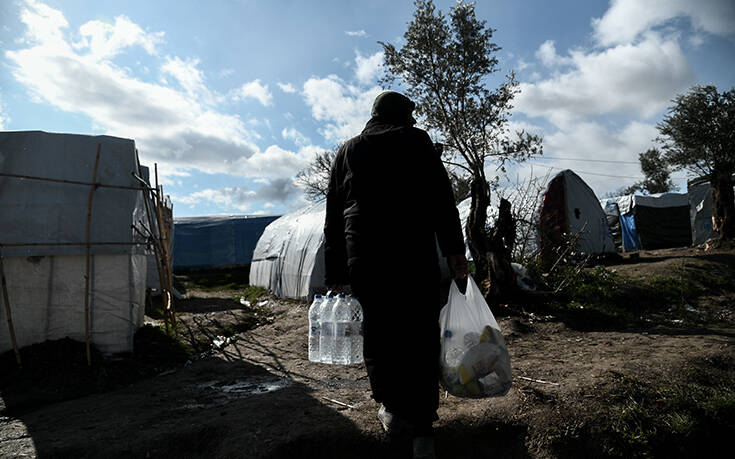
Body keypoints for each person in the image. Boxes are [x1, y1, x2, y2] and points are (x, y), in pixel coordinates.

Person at [324, 91, 468, 458]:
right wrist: (455, 252)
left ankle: (390, 409)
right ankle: (423, 431)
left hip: (366, 259)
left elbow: (333, 219)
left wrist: (335, 272)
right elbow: (441, 201)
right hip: (411, 256)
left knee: (380, 333)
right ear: (404, 116)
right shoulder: (415, 141)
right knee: (420, 335)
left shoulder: (346, 151)